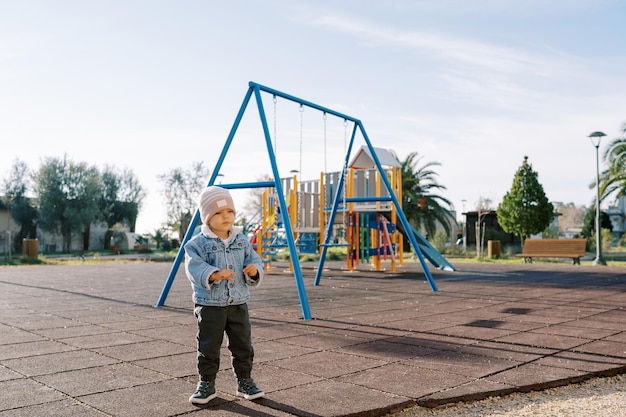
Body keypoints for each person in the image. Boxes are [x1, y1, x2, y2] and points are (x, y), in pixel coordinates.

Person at [184, 185, 265, 404]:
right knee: (208, 345)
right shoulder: (197, 244)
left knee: (243, 344)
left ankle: (245, 381)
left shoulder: (241, 240)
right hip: (210, 305)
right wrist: (213, 274)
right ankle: (207, 383)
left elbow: (255, 260)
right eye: (218, 213)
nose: (225, 217)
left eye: (229, 211)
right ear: (207, 218)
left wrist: (254, 270)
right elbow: (193, 267)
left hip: (238, 302)